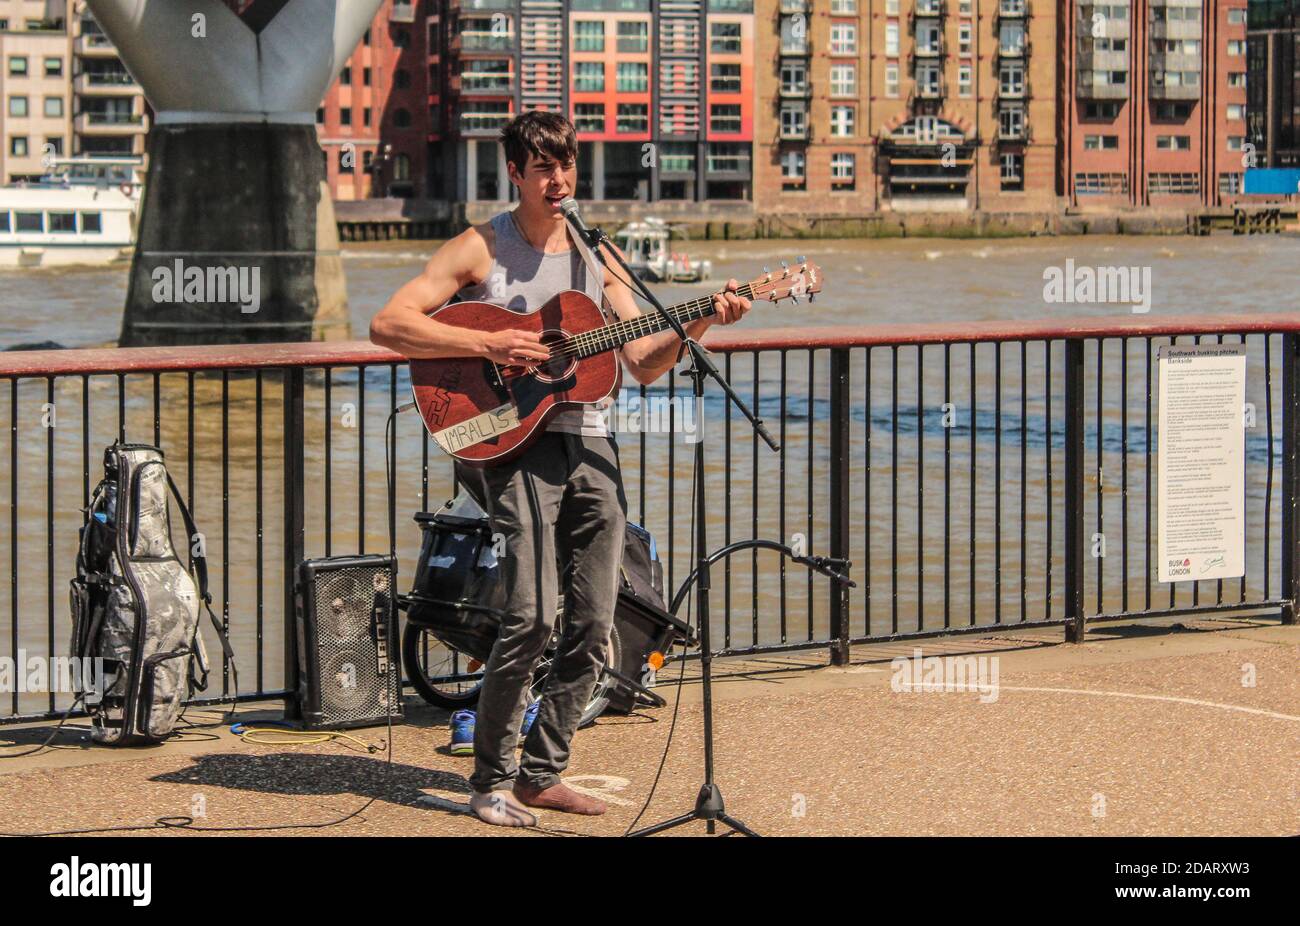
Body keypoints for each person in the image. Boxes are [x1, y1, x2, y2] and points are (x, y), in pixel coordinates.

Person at [369, 110, 751, 827]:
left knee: (598, 620)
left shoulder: (595, 252)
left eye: (567, 164)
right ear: (516, 173)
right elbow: (388, 324)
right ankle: (490, 779)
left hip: (590, 440)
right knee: (530, 615)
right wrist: (494, 347)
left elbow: (641, 363)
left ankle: (542, 772)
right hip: (508, 442)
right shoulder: (481, 247)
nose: (559, 178)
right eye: (544, 166)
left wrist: (698, 322)